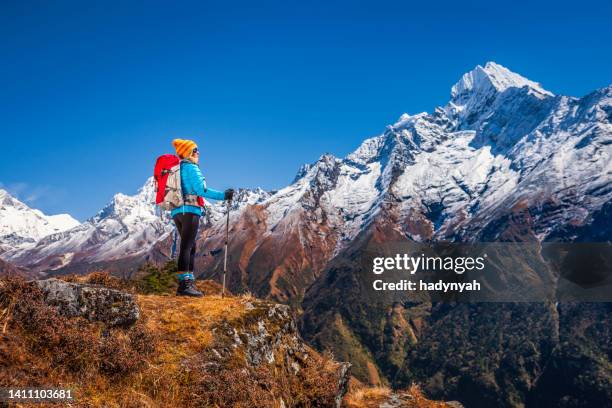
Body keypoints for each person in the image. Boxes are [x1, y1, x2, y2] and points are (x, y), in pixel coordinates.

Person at [171, 138, 234, 297]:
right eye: (195, 150)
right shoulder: (191, 168)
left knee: (189, 247)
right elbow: (202, 190)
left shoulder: (177, 169)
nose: (198, 152)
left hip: (177, 211)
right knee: (187, 247)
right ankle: (185, 286)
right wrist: (223, 195)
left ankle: (187, 283)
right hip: (190, 210)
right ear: (187, 153)